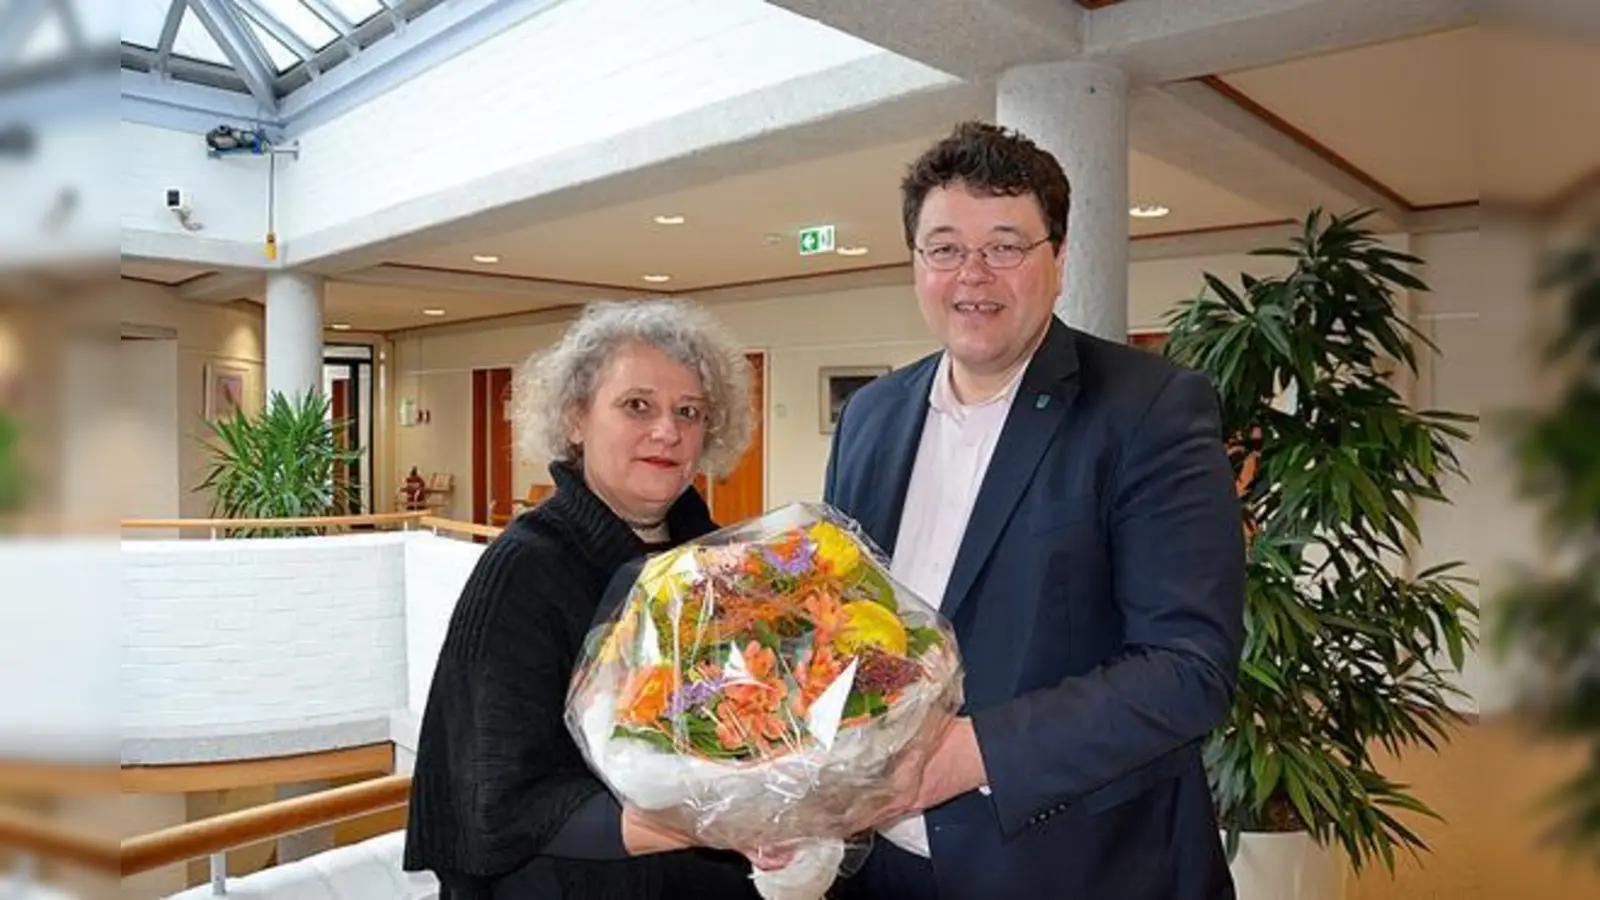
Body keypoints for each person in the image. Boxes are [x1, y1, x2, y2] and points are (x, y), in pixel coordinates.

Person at [823, 122, 1246, 899]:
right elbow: (845, 626)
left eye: (1006, 245)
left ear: (1058, 260)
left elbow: (1188, 668)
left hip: (1072, 864)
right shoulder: (870, 416)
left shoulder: (1149, 407)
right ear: (916, 263)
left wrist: (968, 753)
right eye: (945, 247)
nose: (972, 274)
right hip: (876, 870)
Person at [403, 299, 764, 899]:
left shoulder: (714, 560)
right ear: (576, 418)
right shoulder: (523, 568)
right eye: (637, 406)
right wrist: (690, 820)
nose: (667, 431)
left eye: (689, 411)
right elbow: (502, 798)